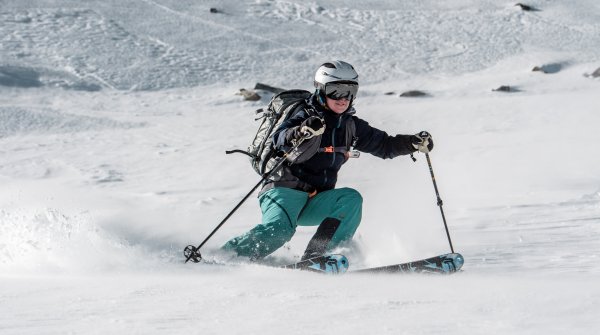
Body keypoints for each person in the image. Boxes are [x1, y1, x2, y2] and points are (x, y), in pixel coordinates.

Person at [222, 60, 433, 261]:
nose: (343, 98)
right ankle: (225, 256)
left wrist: (412, 143)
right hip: (283, 190)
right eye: (336, 91)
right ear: (321, 90)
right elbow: (281, 137)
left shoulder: (350, 126)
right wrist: (302, 131)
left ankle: (318, 256)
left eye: (350, 92)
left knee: (350, 199)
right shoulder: (304, 113)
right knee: (280, 231)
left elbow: (385, 145)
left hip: (316, 198)